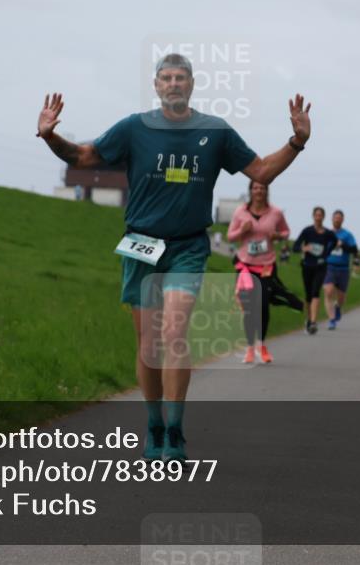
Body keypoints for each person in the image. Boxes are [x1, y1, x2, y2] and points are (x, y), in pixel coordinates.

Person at [36, 53, 313, 463]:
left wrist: (297, 142)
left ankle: (176, 429)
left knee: (175, 333)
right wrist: (50, 136)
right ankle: (154, 425)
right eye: (166, 78)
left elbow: (262, 171)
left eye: (180, 78)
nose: (173, 84)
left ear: (192, 84)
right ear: (156, 85)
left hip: (187, 246)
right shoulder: (134, 128)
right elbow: (83, 157)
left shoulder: (215, 132)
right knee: (149, 342)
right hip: (142, 245)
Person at [228, 181, 304, 364]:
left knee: (262, 306)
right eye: (255, 188)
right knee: (248, 309)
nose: (259, 190)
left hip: (266, 266)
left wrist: (277, 236)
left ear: (266, 191)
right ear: (250, 191)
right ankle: (249, 348)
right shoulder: (240, 212)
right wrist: (242, 230)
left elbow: (286, 232)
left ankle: (261, 345)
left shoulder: (275, 212)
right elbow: (230, 236)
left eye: (262, 188)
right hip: (245, 266)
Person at [293, 207, 335, 334]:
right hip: (307, 265)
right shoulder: (307, 231)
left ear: (323, 217)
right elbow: (295, 246)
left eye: (321, 215)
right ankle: (308, 318)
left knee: (316, 291)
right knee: (308, 295)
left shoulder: (328, 233)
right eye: (316, 215)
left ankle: (313, 322)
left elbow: (335, 242)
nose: (318, 217)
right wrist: (304, 248)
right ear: (313, 216)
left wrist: (327, 253)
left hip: (321, 266)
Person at [323, 209, 358, 330]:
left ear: (342, 220)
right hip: (329, 267)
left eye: (339, 218)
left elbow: (354, 250)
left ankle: (338, 307)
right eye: (335, 217)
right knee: (328, 292)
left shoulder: (347, 235)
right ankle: (332, 320)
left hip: (343, 268)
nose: (337, 219)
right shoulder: (326, 233)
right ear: (332, 219)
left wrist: (342, 244)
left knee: (341, 297)